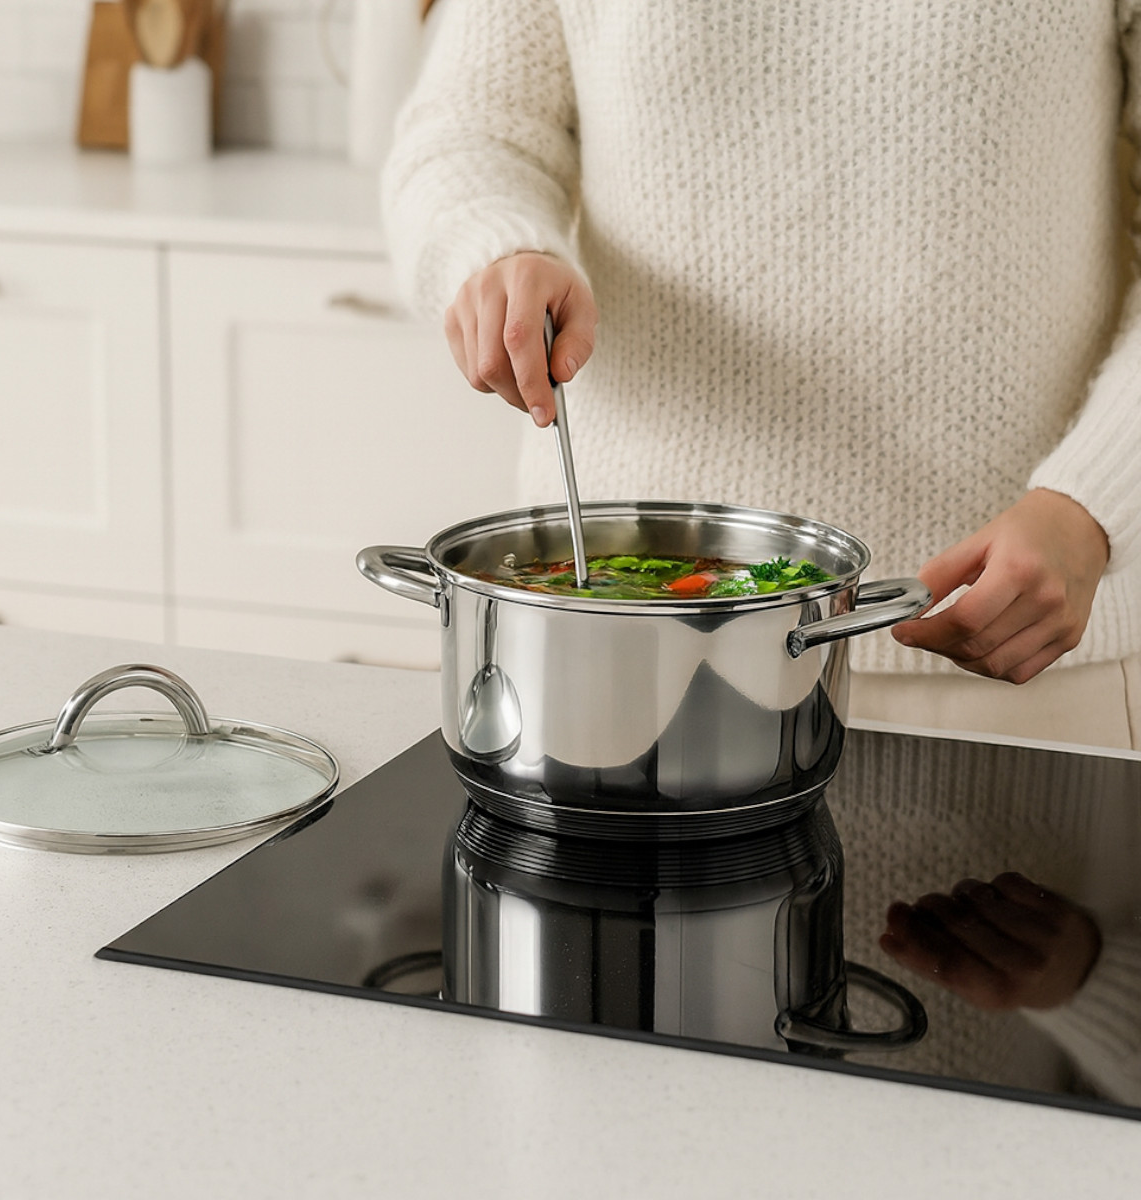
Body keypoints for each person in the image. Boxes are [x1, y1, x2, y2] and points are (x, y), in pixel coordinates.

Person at [382, 0, 1141, 749]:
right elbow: (468, 133)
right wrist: (496, 245)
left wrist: (1093, 503)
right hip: (620, 649)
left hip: (1024, 654)